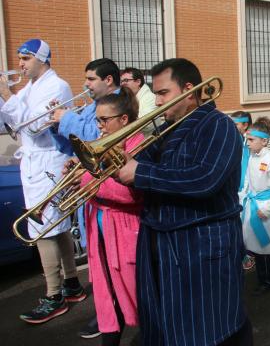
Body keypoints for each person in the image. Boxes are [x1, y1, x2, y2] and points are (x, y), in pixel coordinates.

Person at [114, 58, 252, 345]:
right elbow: (141, 173)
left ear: (190, 90)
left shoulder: (219, 125)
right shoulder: (166, 128)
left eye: (163, 93)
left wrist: (141, 171)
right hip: (162, 244)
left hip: (201, 244)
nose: (157, 100)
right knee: (168, 325)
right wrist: (113, 166)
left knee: (211, 327)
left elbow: (205, 179)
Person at [0, 39, 85, 324]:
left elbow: (34, 126)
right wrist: (4, 100)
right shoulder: (31, 88)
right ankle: (71, 284)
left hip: (49, 162)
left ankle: (54, 295)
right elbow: (10, 123)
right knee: (56, 225)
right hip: (35, 164)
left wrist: (6, 93)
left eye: (25, 58)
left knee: (43, 227)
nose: (20, 64)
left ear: (41, 58)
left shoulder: (56, 86)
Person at [50, 57, 121, 339]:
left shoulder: (118, 105)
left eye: (91, 79)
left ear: (108, 80)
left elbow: (97, 139)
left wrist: (66, 119)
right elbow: (77, 146)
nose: (85, 84)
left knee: (109, 260)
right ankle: (107, 311)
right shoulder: (91, 106)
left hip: (108, 194)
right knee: (98, 259)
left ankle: (111, 314)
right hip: (90, 191)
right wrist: (56, 126)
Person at [75, 88, 143, 345]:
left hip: (125, 230)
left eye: (104, 120)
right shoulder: (103, 142)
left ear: (124, 119)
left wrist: (86, 183)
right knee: (107, 294)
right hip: (100, 230)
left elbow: (130, 194)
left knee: (136, 296)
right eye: (98, 119)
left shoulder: (137, 143)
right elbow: (92, 178)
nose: (99, 125)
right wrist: (77, 172)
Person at [241, 117, 270, 295]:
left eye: (251, 140)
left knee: (262, 247)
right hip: (253, 205)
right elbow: (247, 179)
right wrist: (243, 196)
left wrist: (267, 209)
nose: (247, 143)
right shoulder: (252, 156)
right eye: (247, 139)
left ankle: (266, 281)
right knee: (257, 244)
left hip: (266, 209)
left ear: (264, 141)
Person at [231, 110, 255, 271]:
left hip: (248, 187)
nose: (233, 127)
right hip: (236, 187)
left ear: (245, 125)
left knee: (246, 223)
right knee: (238, 222)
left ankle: (248, 252)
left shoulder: (252, 139)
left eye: (236, 124)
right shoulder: (236, 138)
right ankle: (241, 252)